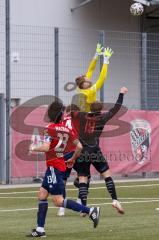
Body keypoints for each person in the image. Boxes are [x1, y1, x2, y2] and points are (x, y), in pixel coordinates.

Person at [27, 100, 100, 237]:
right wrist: (72, 159)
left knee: (58, 201)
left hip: (54, 167)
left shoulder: (50, 128)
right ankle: (40, 230)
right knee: (42, 194)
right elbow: (79, 147)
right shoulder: (67, 129)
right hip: (57, 165)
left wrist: (33, 147)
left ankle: (91, 211)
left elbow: (46, 147)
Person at [70, 87, 128, 215]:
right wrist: (121, 94)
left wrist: (81, 94)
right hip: (95, 150)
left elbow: (72, 111)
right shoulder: (102, 118)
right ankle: (115, 200)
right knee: (107, 175)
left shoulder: (81, 116)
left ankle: (84, 209)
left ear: (89, 108)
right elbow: (116, 108)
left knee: (83, 179)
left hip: (82, 152)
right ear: (100, 110)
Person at [74, 43, 113, 112]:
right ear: (83, 85)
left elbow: (90, 70)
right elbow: (102, 78)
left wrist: (96, 55)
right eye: (87, 80)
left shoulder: (80, 87)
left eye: (87, 78)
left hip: (82, 113)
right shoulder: (90, 91)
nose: (89, 79)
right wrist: (106, 60)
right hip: (89, 115)